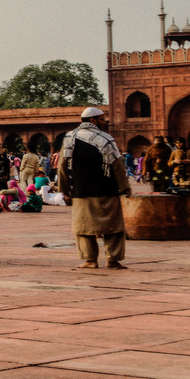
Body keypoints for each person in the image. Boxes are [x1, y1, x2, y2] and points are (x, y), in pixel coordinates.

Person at [58, 106, 131, 270]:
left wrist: (64, 189)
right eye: (102, 119)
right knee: (114, 226)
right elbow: (117, 164)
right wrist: (124, 186)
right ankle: (113, 259)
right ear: (93, 120)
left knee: (84, 227)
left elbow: (62, 166)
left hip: (81, 189)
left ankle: (90, 260)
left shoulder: (70, 138)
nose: (105, 122)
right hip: (107, 188)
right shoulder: (106, 139)